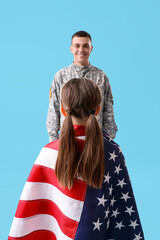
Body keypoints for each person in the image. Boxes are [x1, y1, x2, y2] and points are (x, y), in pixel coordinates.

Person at [8, 78, 144, 240]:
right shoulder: (112, 152)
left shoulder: (48, 153)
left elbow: (32, 214)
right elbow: (123, 213)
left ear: (64, 111)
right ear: (98, 109)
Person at [46, 30, 118, 142]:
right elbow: (53, 109)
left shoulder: (101, 76)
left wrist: (106, 141)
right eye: (77, 46)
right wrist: (54, 140)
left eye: (85, 46)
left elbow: (108, 111)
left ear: (91, 48)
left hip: (95, 139)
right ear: (71, 49)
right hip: (68, 139)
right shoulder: (60, 76)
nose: (81, 50)